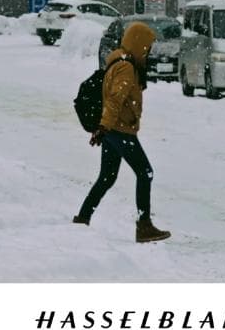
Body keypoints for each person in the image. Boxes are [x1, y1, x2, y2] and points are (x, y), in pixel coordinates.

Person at [73, 20, 171, 243]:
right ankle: (143, 225)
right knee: (145, 172)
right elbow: (115, 100)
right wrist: (104, 127)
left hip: (113, 129)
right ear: (137, 43)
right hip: (119, 129)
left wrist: (103, 128)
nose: (148, 51)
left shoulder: (120, 62)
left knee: (107, 177)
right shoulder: (126, 67)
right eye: (146, 46)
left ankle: (83, 217)